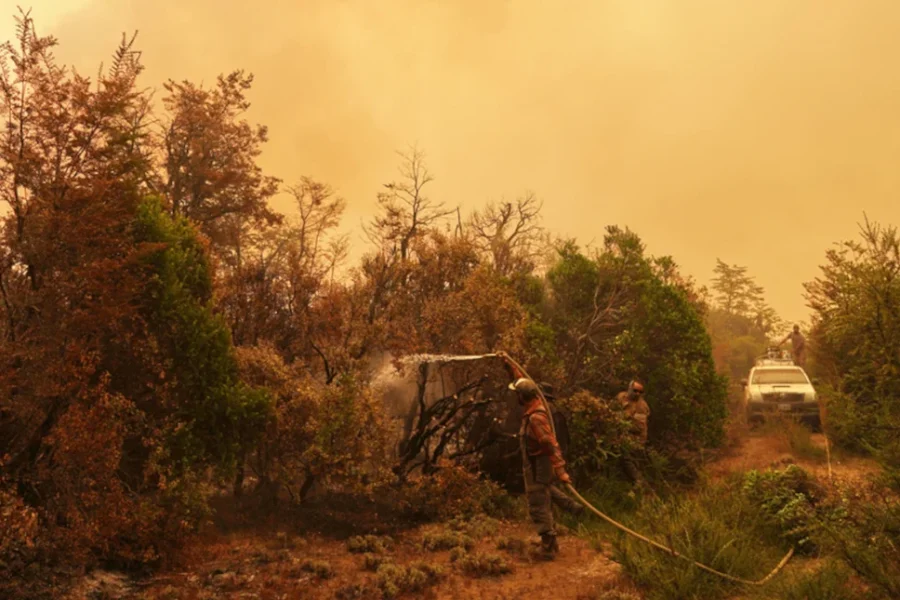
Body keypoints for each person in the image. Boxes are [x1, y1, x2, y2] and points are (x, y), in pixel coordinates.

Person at [509, 376, 574, 559]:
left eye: (517, 394)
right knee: (543, 499)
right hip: (535, 465)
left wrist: (561, 471)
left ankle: (548, 548)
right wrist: (509, 366)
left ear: (522, 396)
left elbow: (551, 445)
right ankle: (552, 540)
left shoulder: (536, 418)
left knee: (538, 504)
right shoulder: (534, 408)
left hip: (539, 465)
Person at [615, 380, 650, 487]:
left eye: (640, 392)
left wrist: (622, 424)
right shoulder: (621, 397)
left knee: (626, 458)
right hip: (622, 434)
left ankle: (639, 481)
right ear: (629, 389)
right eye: (635, 391)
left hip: (636, 438)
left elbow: (638, 427)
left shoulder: (642, 406)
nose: (637, 394)